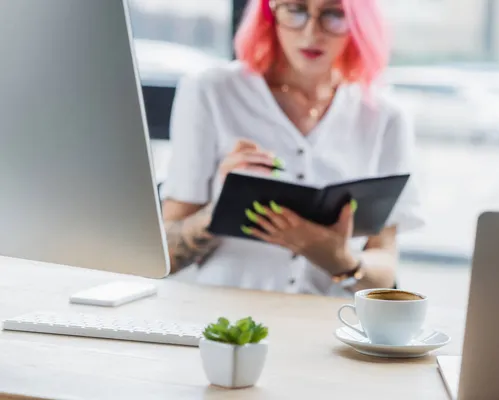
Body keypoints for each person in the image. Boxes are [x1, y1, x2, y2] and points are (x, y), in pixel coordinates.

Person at [159, 0, 424, 297]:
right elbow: (164, 257)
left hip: (330, 326)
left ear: (360, 21)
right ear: (269, 13)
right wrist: (223, 204)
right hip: (227, 321)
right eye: (295, 9)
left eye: (334, 14)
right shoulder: (211, 91)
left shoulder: (386, 116)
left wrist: (340, 258)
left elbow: (385, 272)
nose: (312, 31)